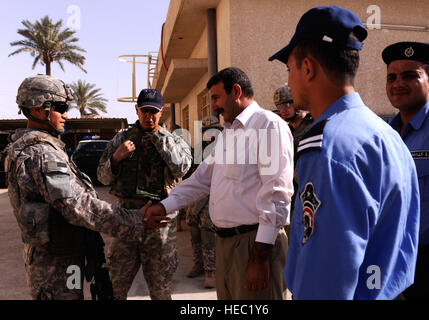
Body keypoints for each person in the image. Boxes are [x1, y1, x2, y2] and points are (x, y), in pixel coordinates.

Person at [269, 5, 420, 299]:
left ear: (308, 68)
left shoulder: (327, 146)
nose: (289, 81)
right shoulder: (389, 135)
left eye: (290, 70)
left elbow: (325, 279)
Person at [145, 67, 294, 300]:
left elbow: (277, 196)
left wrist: (259, 258)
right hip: (225, 245)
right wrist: (164, 206)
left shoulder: (268, 125)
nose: (213, 106)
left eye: (216, 98)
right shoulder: (229, 133)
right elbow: (202, 179)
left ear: (236, 91)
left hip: (255, 246)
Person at [6, 74, 148, 300]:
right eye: (60, 107)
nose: (65, 114)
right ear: (36, 109)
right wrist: (136, 219)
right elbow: (79, 207)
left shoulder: (41, 146)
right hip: (54, 267)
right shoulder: (41, 153)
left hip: (66, 259)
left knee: (76, 293)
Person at [97, 88, 192, 300]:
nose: (149, 116)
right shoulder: (121, 139)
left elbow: (181, 168)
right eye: (145, 111)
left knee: (161, 291)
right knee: (114, 287)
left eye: (154, 111)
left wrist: (159, 139)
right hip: (125, 221)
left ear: (162, 111)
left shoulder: (174, 140)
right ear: (136, 110)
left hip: (160, 224)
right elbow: (102, 178)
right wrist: (116, 158)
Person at [382, 41, 429, 299]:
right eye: (392, 77)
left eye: (410, 75)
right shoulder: (384, 135)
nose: (398, 83)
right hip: (391, 263)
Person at [185, 116, 221, 289]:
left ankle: (210, 271)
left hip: (213, 197)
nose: (208, 134)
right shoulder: (198, 149)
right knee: (194, 232)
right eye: (205, 131)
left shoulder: (225, 148)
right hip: (196, 198)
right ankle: (198, 264)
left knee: (208, 235)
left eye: (211, 130)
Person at [273, 84, 313, 230]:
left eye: (287, 104)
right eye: (279, 106)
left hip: (311, 192)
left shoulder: (313, 125)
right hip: (292, 198)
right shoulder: (286, 129)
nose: (282, 110)